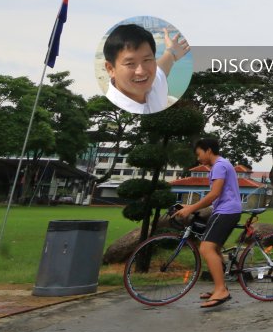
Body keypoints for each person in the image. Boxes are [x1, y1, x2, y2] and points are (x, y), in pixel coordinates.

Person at [173, 136, 243, 308]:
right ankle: (221, 287)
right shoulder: (221, 165)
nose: (198, 158)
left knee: (206, 248)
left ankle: (221, 290)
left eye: (199, 154)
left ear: (208, 150)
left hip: (226, 211)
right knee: (215, 249)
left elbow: (214, 194)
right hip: (225, 210)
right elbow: (216, 196)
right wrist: (190, 205)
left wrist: (190, 209)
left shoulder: (219, 166)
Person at [103, 23, 189, 114]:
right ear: (110, 69)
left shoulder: (154, 82)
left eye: (147, 60)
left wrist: (171, 51)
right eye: (130, 63)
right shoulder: (113, 109)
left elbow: (163, 66)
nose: (141, 71)